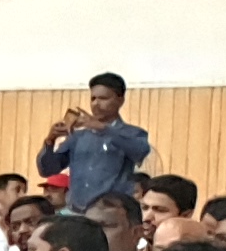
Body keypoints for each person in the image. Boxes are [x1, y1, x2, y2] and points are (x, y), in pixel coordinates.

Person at [40, 71, 153, 207]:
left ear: (120, 100)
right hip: (77, 211)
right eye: (93, 98)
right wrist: (50, 141)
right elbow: (47, 170)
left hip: (112, 211)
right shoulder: (78, 136)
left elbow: (140, 151)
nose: (96, 104)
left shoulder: (132, 133)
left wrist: (104, 129)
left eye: (103, 98)